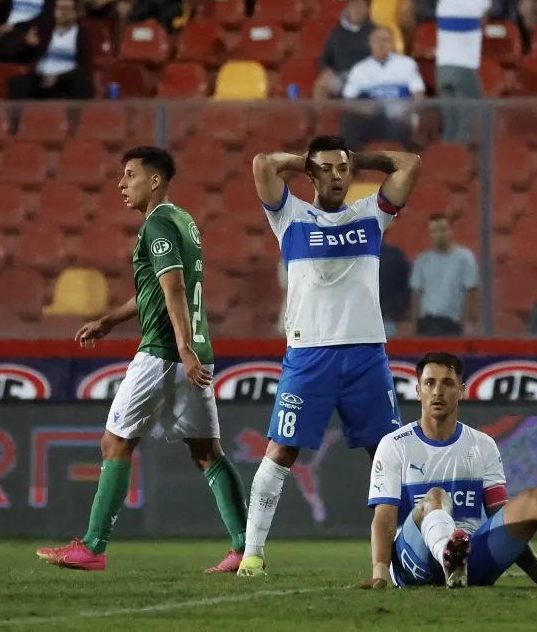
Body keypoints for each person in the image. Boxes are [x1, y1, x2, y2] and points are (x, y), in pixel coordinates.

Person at [36, 147, 250, 575]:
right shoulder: (183, 221)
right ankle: (247, 548)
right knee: (208, 451)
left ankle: (94, 546)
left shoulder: (156, 224)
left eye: (130, 175)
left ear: (155, 181)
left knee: (115, 443)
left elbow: (172, 289)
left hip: (163, 352)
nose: (122, 183)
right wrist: (109, 320)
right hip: (193, 350)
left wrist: (183, 349)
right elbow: (158, 288)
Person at [238, 136, 422, 576]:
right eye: (327, 169)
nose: (337, 175)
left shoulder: (372, 215)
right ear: (311, 173)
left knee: (386, 456)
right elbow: (263, 161)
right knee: (280, 453)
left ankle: (410, 556)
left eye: (344, 169)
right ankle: (252, 553)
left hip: (365, 355)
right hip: (308, 355)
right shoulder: (289, 216)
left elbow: (409, 163)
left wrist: (357, 159)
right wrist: (307, 161)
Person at [359, 351, 537, 589]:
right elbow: (384, 519)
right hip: (414, 565)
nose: (438, 391)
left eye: (447, 383)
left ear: (461, 391)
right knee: (435, 497)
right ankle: (449, 557)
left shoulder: (482, 445)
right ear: (418, 389)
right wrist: (379, 574)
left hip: (472, 564)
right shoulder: (395, 445)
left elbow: (503, 521)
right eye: (430, 383)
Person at [341, 26, 426, 148]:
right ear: (370, 43)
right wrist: (365, 110)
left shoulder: (406, 64)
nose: (381, 44)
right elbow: (347, 101)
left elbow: (419, 94)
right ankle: (352, 162)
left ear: (392, 43)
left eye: (385, 40)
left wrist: (409, 112)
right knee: (349, 122)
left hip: (400, 119)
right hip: (371, 120)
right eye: (377, 40)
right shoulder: (359, 69)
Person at [435, 0, 491, 142]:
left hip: (442, 69)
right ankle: (459, 162)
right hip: (464, 69)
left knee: (450, 122)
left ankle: (446, 159)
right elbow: (488, 2)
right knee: (466, 122)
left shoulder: (443, 2)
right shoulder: (475, 3)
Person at [6, 0, 94, 100]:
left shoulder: (81, 35)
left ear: (75, 12)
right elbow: (17, 55)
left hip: (66, 80)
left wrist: (58, 78)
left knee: (83, 84)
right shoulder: (44, 30)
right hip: (40, 78)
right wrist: (26, 43)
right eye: (59, 8)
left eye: (67, 9)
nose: (63, 12)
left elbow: (84, 66)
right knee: (17, 83)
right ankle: (20, 117)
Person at [410, 214, 480, 336]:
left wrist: (469, 322)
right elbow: (416, 294)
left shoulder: (465, 258)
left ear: (451, 231)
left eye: (443, 229)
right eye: (434, 231)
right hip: (426, 323)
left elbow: (471, 292)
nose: (439, 235)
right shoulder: (422, 260)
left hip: (452, 324)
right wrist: (414, 325)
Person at [313, 0, 375, 100]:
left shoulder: (374, 31)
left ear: (367, 10)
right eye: (354, 6)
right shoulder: (337, 33)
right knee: (321, 86)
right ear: (347, 9)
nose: (358, 10)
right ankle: (323, 116)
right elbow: (324, 58)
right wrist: (326, 70)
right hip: (342, 76)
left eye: (361, 7)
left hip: (368, 78)